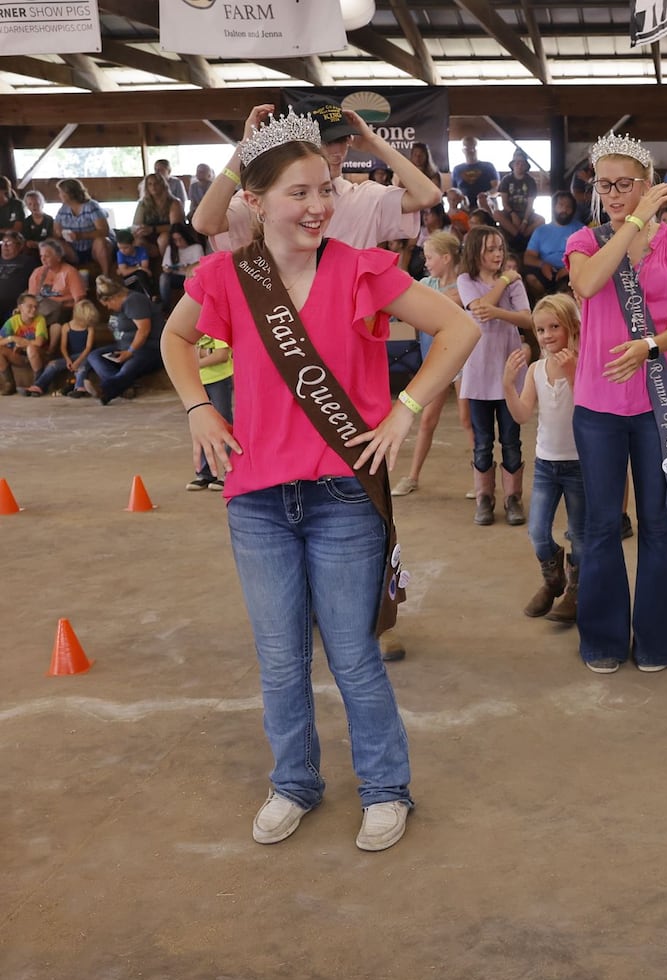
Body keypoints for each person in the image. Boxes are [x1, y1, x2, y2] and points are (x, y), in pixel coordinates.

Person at [159, 108, 479, 852]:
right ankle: (295, 781)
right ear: (257, 202)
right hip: (257, 498)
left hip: (342, 493)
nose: (318, 207)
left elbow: (459, 329)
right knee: (279, 657)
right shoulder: (229, 276)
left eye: (325, 190)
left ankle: (386, 788)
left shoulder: (361, 267)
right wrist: (199, 407)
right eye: (299, 193)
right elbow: (177, 339)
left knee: (352, 652)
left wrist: (404, 409)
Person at [565, 133, 667, 675]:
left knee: (657, 521)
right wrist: (634, 226)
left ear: (648, 186)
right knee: (600, 524)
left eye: (625, 184)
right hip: (597, 402)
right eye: (605, 185)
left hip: (659, 400)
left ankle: (658, 641)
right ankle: (601, 639)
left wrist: (650, 345)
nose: (614, 194)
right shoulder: (584, 239)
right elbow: (592, 282)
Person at [195, 101, 441, 258]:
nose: (338, 152)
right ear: (300, 146)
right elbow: (205, 223)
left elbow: (428, 195)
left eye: (343, 140)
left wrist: (376, 144)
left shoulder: (364, 196)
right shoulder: (269, 200)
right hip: (281, 325)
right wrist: (244, 149)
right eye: (327, 142)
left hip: (346, 324)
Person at [502, 293, 586, 622]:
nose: (547, 335)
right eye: (540, 329)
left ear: (572, 328)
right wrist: (508, 385)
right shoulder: (536, 369)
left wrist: (572, 373)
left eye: (555, 327)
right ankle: (554, 580)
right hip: (546, 465)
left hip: (579, 464)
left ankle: (576, 592)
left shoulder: (580, 363)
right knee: (537, 530)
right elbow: (522, 413)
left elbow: (589, 410)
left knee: (579, 532)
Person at [458, 225, 532, 526]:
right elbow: (478, 309)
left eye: (500, 248)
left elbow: (527, 318)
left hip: (509, 370)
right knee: (482, 440)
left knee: (512, 439)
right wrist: (503, 280)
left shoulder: (515, 283)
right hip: (478, 372)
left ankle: (513, 498)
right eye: (490, 249)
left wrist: (499, 311)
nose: (498, 254)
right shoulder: (466, 280)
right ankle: (484, 498)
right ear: (475, 251)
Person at [393, 230, 465, 497]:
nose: (426, 261)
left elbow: (442, 307)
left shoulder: (463, 287)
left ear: (446, 258)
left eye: (430, 257)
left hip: (461, 365)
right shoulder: (426, 284)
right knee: (426, 422)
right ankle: (412, 476)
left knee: (468, 421)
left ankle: (483, 479)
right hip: (437, 365)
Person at [88, 275, 164, 404]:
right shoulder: (122, 306)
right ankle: (123, 387)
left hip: (147, 348)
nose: (108, 308)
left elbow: (144, 330)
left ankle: (105, 390)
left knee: (129, 368)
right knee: (95, 356)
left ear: (113, 298)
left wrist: (130, 352)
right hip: (125, 347)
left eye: (107, 304)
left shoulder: (134, 301)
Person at [187, 333, 234, 491]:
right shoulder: (190, 325)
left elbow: (221, 355)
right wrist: (206, 352)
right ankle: (205, 473)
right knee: (200, 425)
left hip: (218, 379)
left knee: (224, 423)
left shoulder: (213, 323)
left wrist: (194, 360)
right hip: (197, 380)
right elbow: (183, 348)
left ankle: (230, 472)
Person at [25, 297, 99, 397]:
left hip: (86, 356)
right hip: (71, 357)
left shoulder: (90, 328)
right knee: (52, 365)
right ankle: (39, 386)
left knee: (82, 367)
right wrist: (68, 360)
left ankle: (80, 387)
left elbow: (88, 348)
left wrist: (77, 362)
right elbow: (63, 347)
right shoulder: (66, 327)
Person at [523, 191, 584, 300]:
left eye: (568, 206)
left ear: (573, 210)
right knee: (530, 277)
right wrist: (543, 265)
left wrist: (569, 268)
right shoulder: (541, 231)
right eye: (560, 205)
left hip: (571, 271)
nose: (564, 210)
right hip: (547, 270)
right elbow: (528, 257)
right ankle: (544, 304)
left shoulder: (582, 230)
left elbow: (590, 256)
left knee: (569, 288)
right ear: (554, 207)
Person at [52, 178, 111, 276]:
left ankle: (106, 275)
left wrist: (81, 235)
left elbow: (104, 231)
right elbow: (56, 230)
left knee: (101, 241)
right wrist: (59, 233)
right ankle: (61, 276)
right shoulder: (63, 209)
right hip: (73, 249)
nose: (59, 195)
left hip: (93, 248)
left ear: (69, 193)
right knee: (53, 243)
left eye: (61, 192)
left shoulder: (91, 206)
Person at [28, 239, 86, 324]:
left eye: (47, 256)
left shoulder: (70, 272)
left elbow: (79, 299)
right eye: (41, 256)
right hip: (42, 310)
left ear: (58, 257)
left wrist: (75, 321)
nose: (43, 259)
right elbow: (31, 297)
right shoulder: (37, 272)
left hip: (63, 311)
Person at [0, 291, 47, 394]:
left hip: (38, 355)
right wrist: (11, 338)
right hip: (19, 356)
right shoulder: (12, 321)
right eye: (30, 306)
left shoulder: (40, 320)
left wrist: (22, 342)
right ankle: (10, 384)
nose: (34, 309)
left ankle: (38, 384)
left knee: (31, 348)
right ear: (20, 308)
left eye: (36, 306)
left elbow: (39, 343)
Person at [496, 147, 541, 254]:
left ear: (526, 166)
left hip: (526, 213)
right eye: (517, 163)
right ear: (512, 165)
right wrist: (513, 214)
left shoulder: (530, 181)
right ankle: (518, 237)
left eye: (522, 164)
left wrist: (525, 220)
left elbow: (530, 204)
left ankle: (521, 238)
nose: (519, 166)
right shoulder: (506, 180)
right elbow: (504, 202)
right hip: (510, 212)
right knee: (496, 214)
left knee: (541, 220)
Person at [133, 172, 184, 262]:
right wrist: (140, 230)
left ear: (163, 185)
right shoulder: (143, 203)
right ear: (146, 187)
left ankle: (167, 265)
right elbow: (136, 224)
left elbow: (176, 226)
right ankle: (143, 269)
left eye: (156, 183)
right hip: (149, 237)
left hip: (170, 235)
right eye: (150, 184)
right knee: (137, 241)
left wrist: (153, 229)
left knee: (163, 239)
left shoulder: (174, 202)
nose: (153, 187)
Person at [160, 224, 205, 310]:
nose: (178, 243)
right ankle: (166, 308)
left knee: (193, 279)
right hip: (176, 277)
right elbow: (164, 267)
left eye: (180, 239)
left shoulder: (196, 247)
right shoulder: (171, 249)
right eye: (175, 240)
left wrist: (186, 268)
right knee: (163, 277)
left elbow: (200, 267)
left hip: (190, 277)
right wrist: (168, 269)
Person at [0, 230, 39, 319]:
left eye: (9, 243)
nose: (5, 246)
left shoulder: (28, 262)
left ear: (20, 245)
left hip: (14, 305)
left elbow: (36, 283)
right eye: (3, 242)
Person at [451, 136, 499, 208]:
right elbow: (454, 191)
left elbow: (497, 188)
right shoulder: (457, 169)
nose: (471, 150)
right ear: (463, 150)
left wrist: (487, 195)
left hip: (486, 206)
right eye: (468, 148)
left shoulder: (488, 166)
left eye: (474, 147)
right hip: (465, 207)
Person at [113, 229, 154, 297]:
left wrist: (129, 268)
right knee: (140, 274)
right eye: (120, 248)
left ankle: (144, 300)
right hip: (128, 281)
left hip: (141, 280)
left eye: (126, 248)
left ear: (133, 243)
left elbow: (145, 268)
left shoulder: (142, 250)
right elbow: (124, 272)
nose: (123, 251)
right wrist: (139, 268)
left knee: (141, 278)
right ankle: (151, 297)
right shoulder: (120, 254)